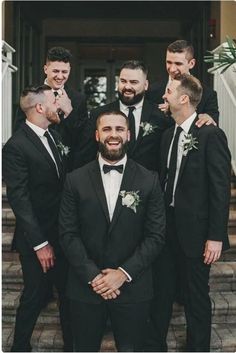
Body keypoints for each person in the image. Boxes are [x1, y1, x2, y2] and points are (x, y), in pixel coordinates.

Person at [59, 110, 166, 352]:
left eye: (119, 129)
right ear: (97, 135)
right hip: (85, 287)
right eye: (107, 129)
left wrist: (123, 273)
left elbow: (156, 235)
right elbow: (68, 234)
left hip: (133, 288)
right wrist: (94, 277)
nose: (113, 135)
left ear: (128, 134)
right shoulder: (74, 180)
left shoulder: (149, 180)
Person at [147, 74, 231, 352]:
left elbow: (220, 189)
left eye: (169, 91)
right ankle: (155, 346)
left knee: (196, 296)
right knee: (161, 292)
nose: (164, 95)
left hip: (196, 232)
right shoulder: (168, 135)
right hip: (166, 227)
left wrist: (216, 236)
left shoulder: (210, 134)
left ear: (184, 98)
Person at [2, 85, 72, 352]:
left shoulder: (52, 135)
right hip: (37, 240)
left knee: (67, 295)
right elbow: (20, 200)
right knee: (33, 296)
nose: (60, 103)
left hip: (61, 233)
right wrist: (40, 244)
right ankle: (20, 347)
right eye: (55, 99)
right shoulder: (16, 146)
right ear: (40, 107)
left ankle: (72, 345)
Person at [77, 60, 216, 172]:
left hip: (150, 192)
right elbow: (84, 157)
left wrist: (204, 117)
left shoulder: (162, 115)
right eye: (123, 81)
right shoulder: (98, 114)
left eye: (134, 82)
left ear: (146, 85)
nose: (127, 87)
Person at [14, 46, 88, 170]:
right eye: (55, 71)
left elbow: (82, 139)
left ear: (69, 70)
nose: (60, 76)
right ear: (46, 69)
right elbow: (19, 130)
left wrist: (69, 112)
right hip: (36, 166)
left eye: (64, 72)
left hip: (68, 169)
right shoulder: (31, 94)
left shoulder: (78, 99)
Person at [146, 39, 219, 124]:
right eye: (169, 62)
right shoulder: (152, 90)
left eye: (178, 64)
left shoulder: (208, 94)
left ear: (191, 63)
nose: (172, 69)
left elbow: (211, 127)